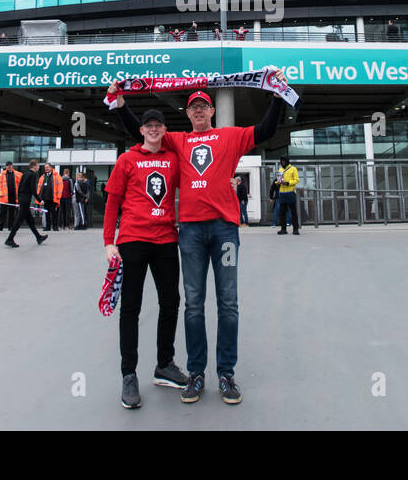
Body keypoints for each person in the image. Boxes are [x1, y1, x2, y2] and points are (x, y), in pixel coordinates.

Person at [109, 79, 287, 405]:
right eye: (194, 106)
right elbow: (142, 130)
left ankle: (226, 374)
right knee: (193, 304)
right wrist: (121, 105)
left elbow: (265, 130)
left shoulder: (230, 136)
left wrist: (277, 97)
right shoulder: (177, 141)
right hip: (189, 232)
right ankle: (196, 373)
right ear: (188, 113)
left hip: (225, 231)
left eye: (204, 105)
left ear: (213, 111)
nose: (199, 109)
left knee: (228, 303)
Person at [104, 108, 189, 408]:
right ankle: (129, 375)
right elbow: (113, 200)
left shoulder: (174, 160)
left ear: (165, 130)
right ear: (141, 131)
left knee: (171, 303)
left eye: (158, 125)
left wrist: (230, 185)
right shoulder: (127, 160)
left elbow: (195, 182)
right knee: (130, 308)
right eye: (148, 125)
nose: (153, 129)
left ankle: (164, 364)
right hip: (132, 240)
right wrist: (108, 242)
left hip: (166, 239)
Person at [5, 159, 47, 248]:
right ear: (34, 166)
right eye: (38, 165)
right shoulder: (33, 175)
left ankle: (38, 237)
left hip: (22, 199)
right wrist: (40, 200)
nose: (39, 167)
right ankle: (9, 239)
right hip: (25, 200)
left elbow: (19, 187)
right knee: (18, 220)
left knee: (30, 221)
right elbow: (33, 190)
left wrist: (19, 198)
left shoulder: (25, 174)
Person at [274, 158, 300, 235]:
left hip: (291, 192)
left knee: (293, 212)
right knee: (282, 212)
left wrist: (288, 183)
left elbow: (297, 180)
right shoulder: (280, 169)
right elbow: (277, 179)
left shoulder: (293, 169)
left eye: (284, 161)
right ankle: (283, 229)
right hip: (282, 193)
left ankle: (295, 229)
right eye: (281, 161)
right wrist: (277, 182)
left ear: (287, 161)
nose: (282, 162)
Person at [0, 161, 20, 231]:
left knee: (12, 213)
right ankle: (0, 227)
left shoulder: (17, 174)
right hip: (4, 197)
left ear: (12, 166)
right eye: (8, 165)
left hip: (13, 196)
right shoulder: (2, 174)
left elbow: (21, 183)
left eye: (10, 165)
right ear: (6, 166)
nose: (9, 166)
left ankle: (11, 227)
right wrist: (0, 194)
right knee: (2, 212)